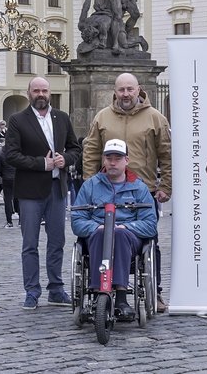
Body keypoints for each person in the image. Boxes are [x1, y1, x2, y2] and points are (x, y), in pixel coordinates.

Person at [83, 71, 172, 313]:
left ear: (138, 89)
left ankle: (157, 292)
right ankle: (99, 290)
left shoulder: (155, 118)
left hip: (144, 192)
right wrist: (90, 184)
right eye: (121, 90)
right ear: (115, 91)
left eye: (129, 89)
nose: (125, 94)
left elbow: (166, 153)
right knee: (100, 236)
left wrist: (166, 185)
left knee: (150, 243)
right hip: (105, 190)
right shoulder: (102, 117)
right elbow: (91, 150)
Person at [5, 76, 82, 309]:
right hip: (30, 191)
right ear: (29, 93)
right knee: (30, 244)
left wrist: (64, 159)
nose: (41, 94)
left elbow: (75, 148)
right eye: (36, 90)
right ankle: (32, 291)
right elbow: (11, 155)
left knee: (57, 241)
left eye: (44, 91)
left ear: (49, 93)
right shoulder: (18, 120)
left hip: (57, 189)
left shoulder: (62, 118)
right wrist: (41, 163)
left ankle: (56, 289)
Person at [71, 138, 158, 321]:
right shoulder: (90, 185)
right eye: (108, 157)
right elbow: (77, 220)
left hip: (128, 239)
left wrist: (126, 226)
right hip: (97, 237)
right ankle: (97, 293)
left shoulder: (139, 188)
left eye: (117, 158)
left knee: (118, 233)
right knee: (102, 233)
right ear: (103, 160)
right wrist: (97, 226)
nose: (112, 162)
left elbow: (150, 224)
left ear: (127, 160)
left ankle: (120, 298)